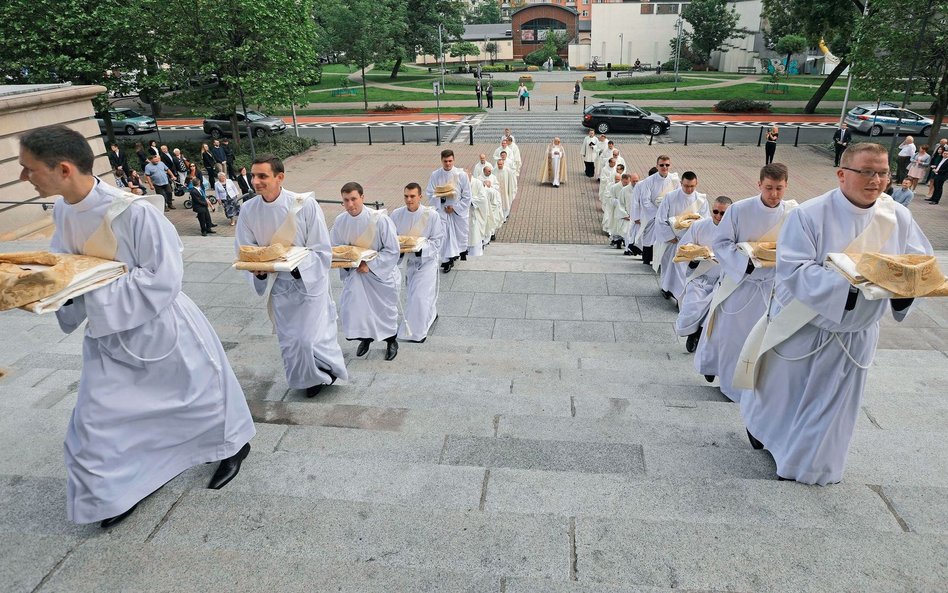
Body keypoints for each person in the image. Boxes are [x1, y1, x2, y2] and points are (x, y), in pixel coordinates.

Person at [19, 125, 255, 527]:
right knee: (93, 428)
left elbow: (163, 277)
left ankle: (231, 446)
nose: (24, 177)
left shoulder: (133, 211)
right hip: (109, 335)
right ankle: (113, 494)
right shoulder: (63, 208)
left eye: (29, 168)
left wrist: (89, 290)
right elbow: (65, 265)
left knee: (198, 399)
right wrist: (41, 290)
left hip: (161, 328)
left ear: (62, 169)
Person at [740, 143, 932, 485]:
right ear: (842, 174)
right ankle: (761, 429)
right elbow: (794, 270)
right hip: (808, 326)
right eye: (867, 172)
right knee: (783, 394)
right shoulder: (810, 214)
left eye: (883, 172)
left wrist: (905, 291)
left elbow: (918, 262)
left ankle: (811, 465)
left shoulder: (898, 216)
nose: (876, 180)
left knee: (834, 408)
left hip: (857, 333)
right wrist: (851, 284)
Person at [236, 154, 348, 398]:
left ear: (280, 177)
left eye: (262, 176)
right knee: (290, 342)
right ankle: (306, 379)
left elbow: (321, 248)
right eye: (253, 176)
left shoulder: (304, 205)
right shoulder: (248, 210)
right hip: (280, 287)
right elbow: (245, 248)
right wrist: (258, 271)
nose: (255, 181)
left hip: (309, 283)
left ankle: (326, 371)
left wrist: (296, 266)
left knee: (309, 338)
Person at [697, 163, 796, 403]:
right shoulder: (739, 209)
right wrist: (746, 264)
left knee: (762, 340)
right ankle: (731, 386)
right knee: (733, 337)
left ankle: (755, 387)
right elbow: (721, 244)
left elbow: (797, 248)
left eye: (779, 189)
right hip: (741, 285)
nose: (774, 194)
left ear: (787, 186)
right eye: (769, 187)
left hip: (771, 286)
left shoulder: (793, 213)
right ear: (759, 184)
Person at [330, 182, 401, 361]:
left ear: (363, 197)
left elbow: (392, 249)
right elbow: (335, 248)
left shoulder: (380, 220)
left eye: (354, 199)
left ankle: (391, 340)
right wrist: (348, 262)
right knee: (358, 309)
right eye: (346, 200)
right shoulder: (340, 221)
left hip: (379, 276)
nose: (350, 205)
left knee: (384, 311)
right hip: (356, 275)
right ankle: (366, 337)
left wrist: (370, 266)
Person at [675, 196, 732, 353]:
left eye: (723, 213)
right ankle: (691, 332)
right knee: (691, 308)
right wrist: (694, 259)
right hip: (700, 276)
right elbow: (684, 247)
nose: (718, 216)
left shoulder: (735, 230)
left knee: (711, 314)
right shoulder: (699, 226)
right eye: (715, 212)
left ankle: (698, 334)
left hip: (722, 279)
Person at [654, 171, 709, 301]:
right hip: (672, 240)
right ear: (681, 183)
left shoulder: (701, 199)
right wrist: (669, 236)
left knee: (682, 268)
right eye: (686, 186)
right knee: (668, 265)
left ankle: (680, 294)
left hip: (689, 242)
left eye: (692, 186)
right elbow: (660, 218)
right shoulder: (670, 197)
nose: (689, 189)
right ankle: (666, 288)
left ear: (696, 184)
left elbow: (705, 220)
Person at [425, 149, 472, 273]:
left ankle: (454, 255)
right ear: (441, 160)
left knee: (456, 236)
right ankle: (446, 260)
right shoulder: (435, 175)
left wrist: (455, 208)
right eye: (445, 161)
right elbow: (430, 193)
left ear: (454, 160)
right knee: (443, 236)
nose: (448, 164)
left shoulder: (461, 175)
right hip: (442, 210)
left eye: (450, 161)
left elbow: (467, 195)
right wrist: (441, 200)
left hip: (456, 211)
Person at [631, 155, 679, 268]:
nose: (664, 167)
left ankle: (664, 262)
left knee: (665, 239)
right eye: (661, 165)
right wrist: (658, 215)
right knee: (649, 238)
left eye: (667, 165)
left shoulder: (674, 180)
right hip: (652, 215)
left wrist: (669, 214)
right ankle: (647, 260)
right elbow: (645, 201)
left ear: (670, 165)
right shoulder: (649, 181)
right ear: (657, 166)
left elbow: (677, 197)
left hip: (669, 216)